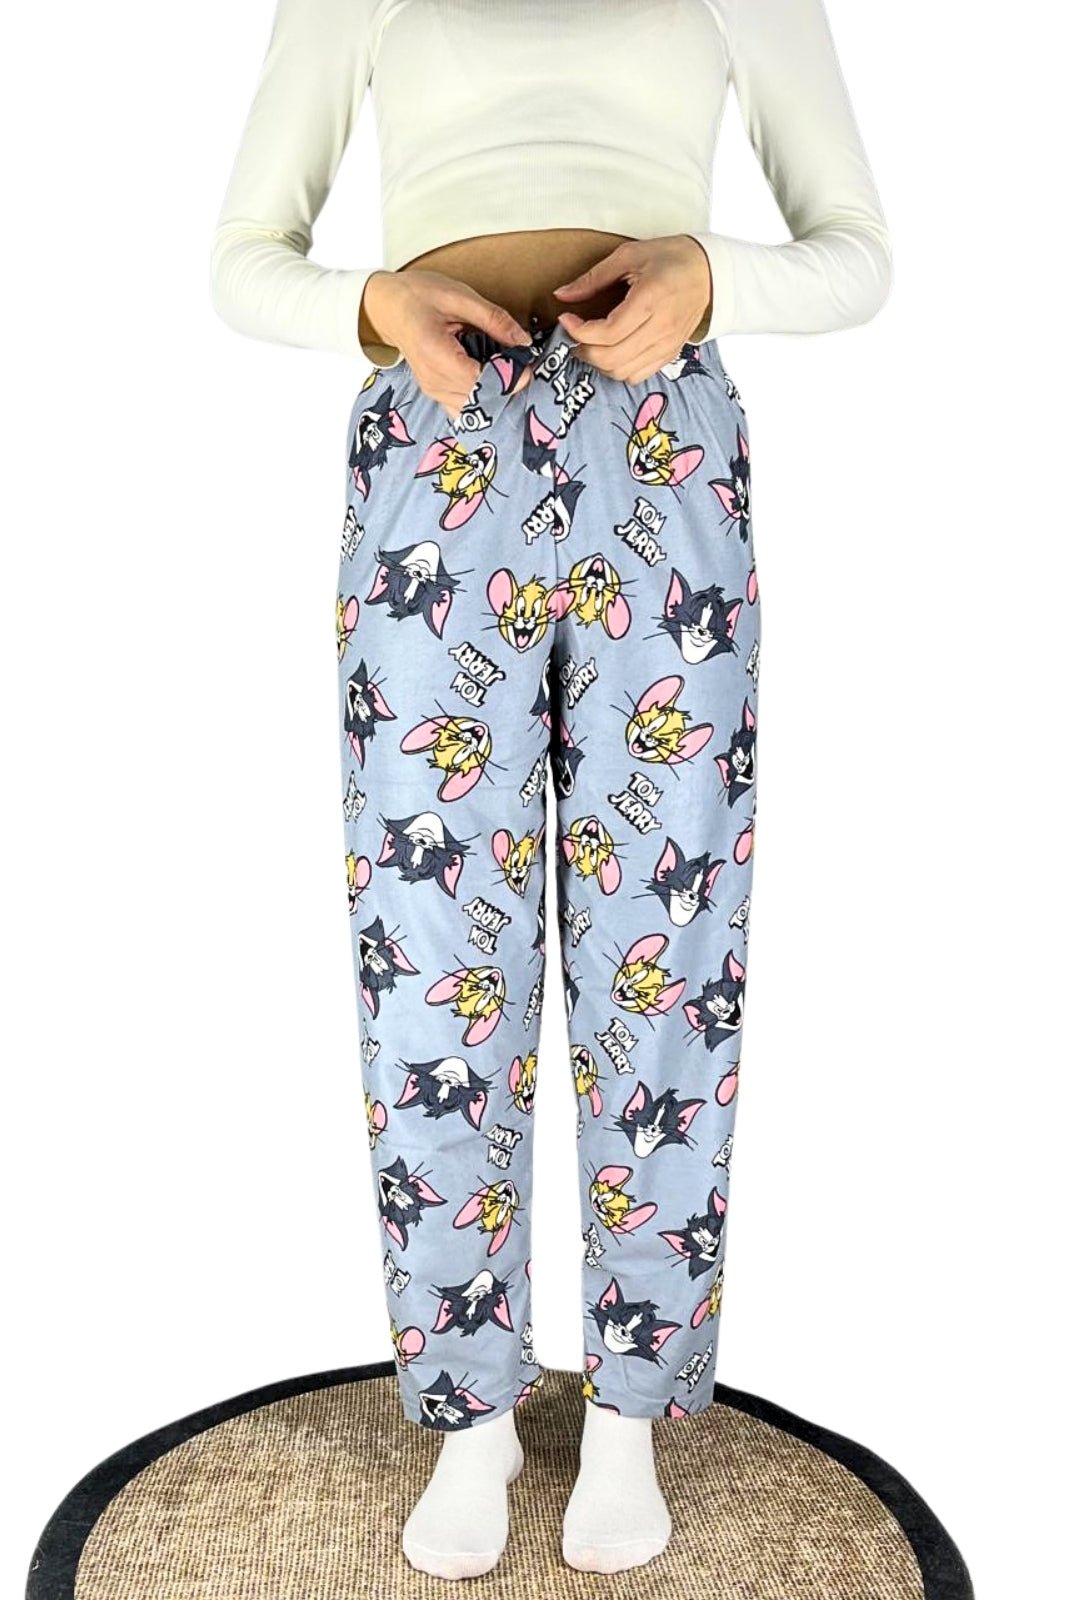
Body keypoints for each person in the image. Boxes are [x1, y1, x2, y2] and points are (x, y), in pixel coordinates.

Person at [210, 0, 892, 1581]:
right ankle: (472, 1416)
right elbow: (243, 258)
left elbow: (855, 254)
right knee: (432, 955)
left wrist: (707, 275)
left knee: (666, 943)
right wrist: (373, 300)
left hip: (661, 453)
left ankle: (631, 1411)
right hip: (435, 454)